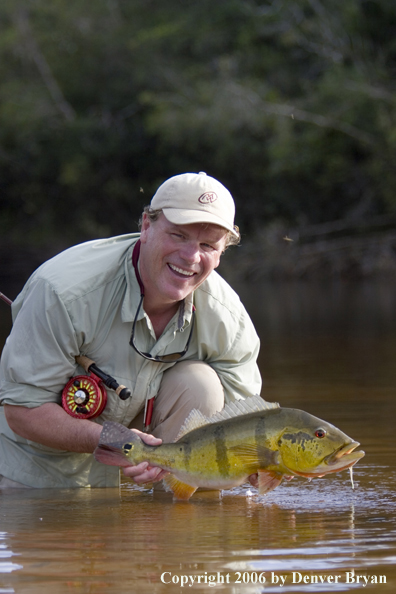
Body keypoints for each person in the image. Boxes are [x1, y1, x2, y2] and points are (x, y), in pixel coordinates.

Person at [0, 172, 261, 489]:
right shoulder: (62, 293)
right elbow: (22, 410)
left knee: (201, 384)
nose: (191, 257)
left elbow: (242, 428)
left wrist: (263, 466)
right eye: (178, 235)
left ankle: (175, 505)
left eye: (207, 245)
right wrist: (119, 443)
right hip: (41, 474)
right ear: (146, 226)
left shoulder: (228, 320)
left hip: (148, 465)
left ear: (221, 254)